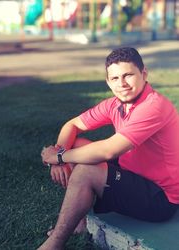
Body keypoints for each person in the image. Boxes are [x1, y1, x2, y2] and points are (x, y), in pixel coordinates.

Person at [39, 47, 179, 250]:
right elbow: (73, 125)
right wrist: (61, 152)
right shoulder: (115, 104)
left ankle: (55, 244)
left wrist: (58, 157)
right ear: (108, 82)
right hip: (133, 172)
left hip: (161, 198)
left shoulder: (154, 106)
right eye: (114, 78)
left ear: (144, 74)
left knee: (87, 167)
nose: (121, 84)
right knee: (77, 145)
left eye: (128, 75)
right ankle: (79, 223)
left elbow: (108, 151)